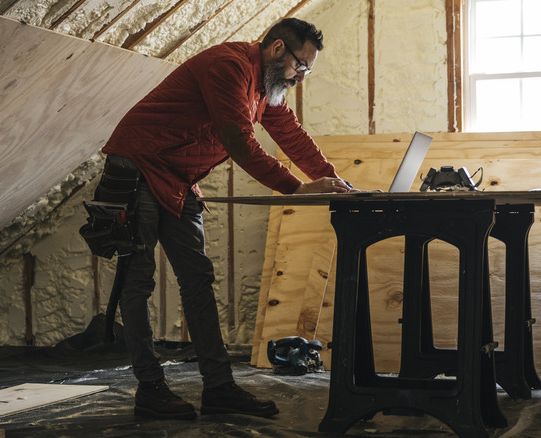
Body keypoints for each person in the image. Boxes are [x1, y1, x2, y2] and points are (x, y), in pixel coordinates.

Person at [98, 17, 356, 420]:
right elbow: (240, 141)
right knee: (139, 281)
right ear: (276, 50)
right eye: (300, 67)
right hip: (137, 166)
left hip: (178, 177)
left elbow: (289, 133)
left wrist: (334, 180)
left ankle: (219, 389)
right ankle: (150, 389)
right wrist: (297, 189)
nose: (300, 78)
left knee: (197, 278)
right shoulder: (230, 67)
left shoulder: (266, 85)